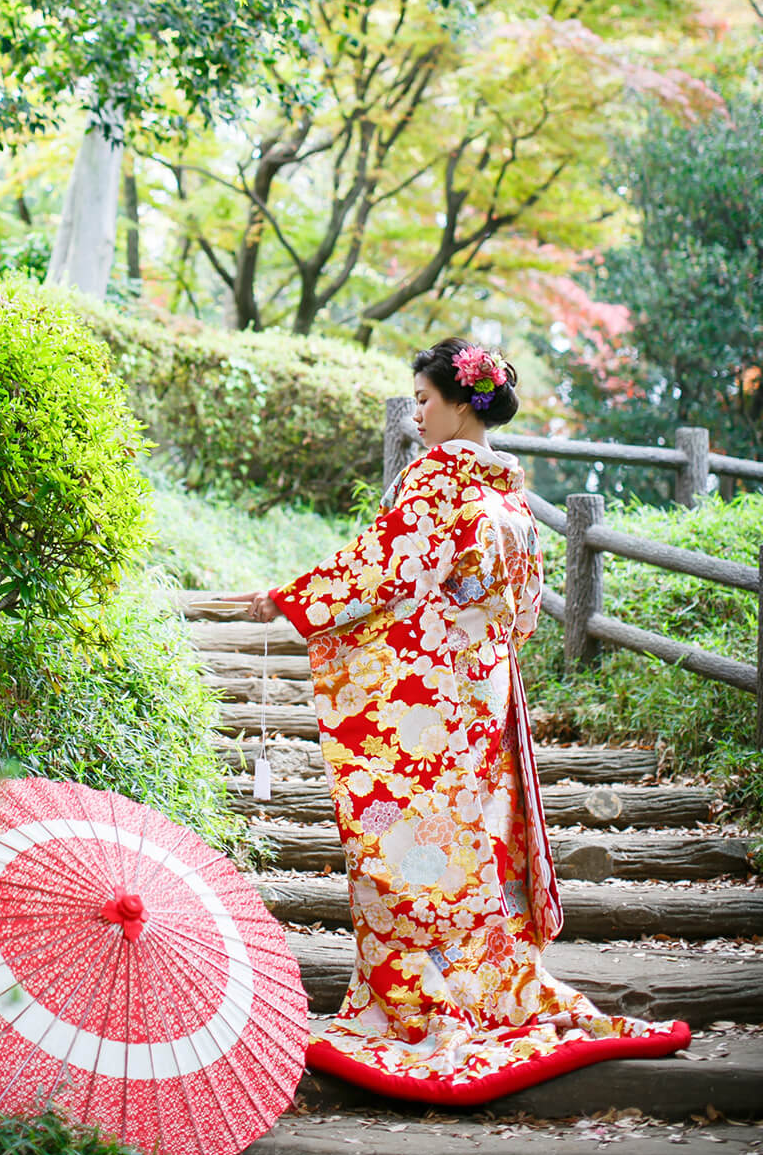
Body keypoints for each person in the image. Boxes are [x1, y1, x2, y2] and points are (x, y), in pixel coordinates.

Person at [233, 338, 689, 1103]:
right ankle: (486, 983)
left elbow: (384, 567)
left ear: (459, 402)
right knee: (473, 843)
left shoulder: (437, 480)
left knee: (415, 840)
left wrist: (292, 599)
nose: (416, 414)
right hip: (487, 691)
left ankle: (425, 996)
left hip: (435, 701)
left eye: (424, 399)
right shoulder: (511, 491)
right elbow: (522, 613)